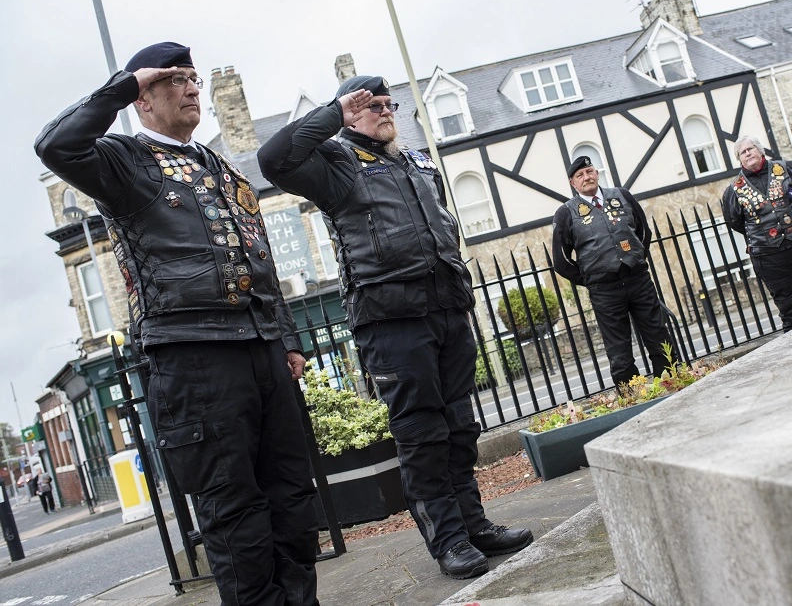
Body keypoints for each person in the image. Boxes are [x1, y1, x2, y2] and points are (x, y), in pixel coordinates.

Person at [35, 42, 319, 606]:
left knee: (291, 495)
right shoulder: (123, 162)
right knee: (232, 508)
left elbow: (258, 260)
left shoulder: (218, 166)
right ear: (143, 99)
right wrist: (125, 81)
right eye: (175, 80)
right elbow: (54, 144)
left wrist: (287, 340)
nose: (193, 89)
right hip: (193, 356)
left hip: (261, 348)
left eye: (193, 78)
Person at [257, 75, 533, 580]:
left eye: (388, 104)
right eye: (371, 106)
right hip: (390, 318)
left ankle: (474, 525)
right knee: (421, 432)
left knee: (459, 426)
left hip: (445, 307)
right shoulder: (335, 164)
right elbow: (274, 159)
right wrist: (333, 113)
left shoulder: (414, 160)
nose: (385, 112)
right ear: (349, 114)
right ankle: (448, 540)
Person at [551, 156, 679, 387]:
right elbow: (560, 261)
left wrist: (636, 259)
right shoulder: (566, 213)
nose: (586, 177)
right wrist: (590, 278)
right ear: (573, 183)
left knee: (658, 335)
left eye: (590, 171)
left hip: (638, 280)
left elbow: (643, 232)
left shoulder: (622, 195)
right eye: (580, 175)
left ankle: (673, 383)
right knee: (619, 350)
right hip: (605, 290)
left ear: (597, 173)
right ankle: (633, 396)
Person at [722, 135, 792, 332]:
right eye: (742, 152)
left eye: (750, 148)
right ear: (739, 160)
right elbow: (735, 221)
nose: (747, 153)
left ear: (761, 151)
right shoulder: (733, 191)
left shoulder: (789, 168)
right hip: (770, 258)